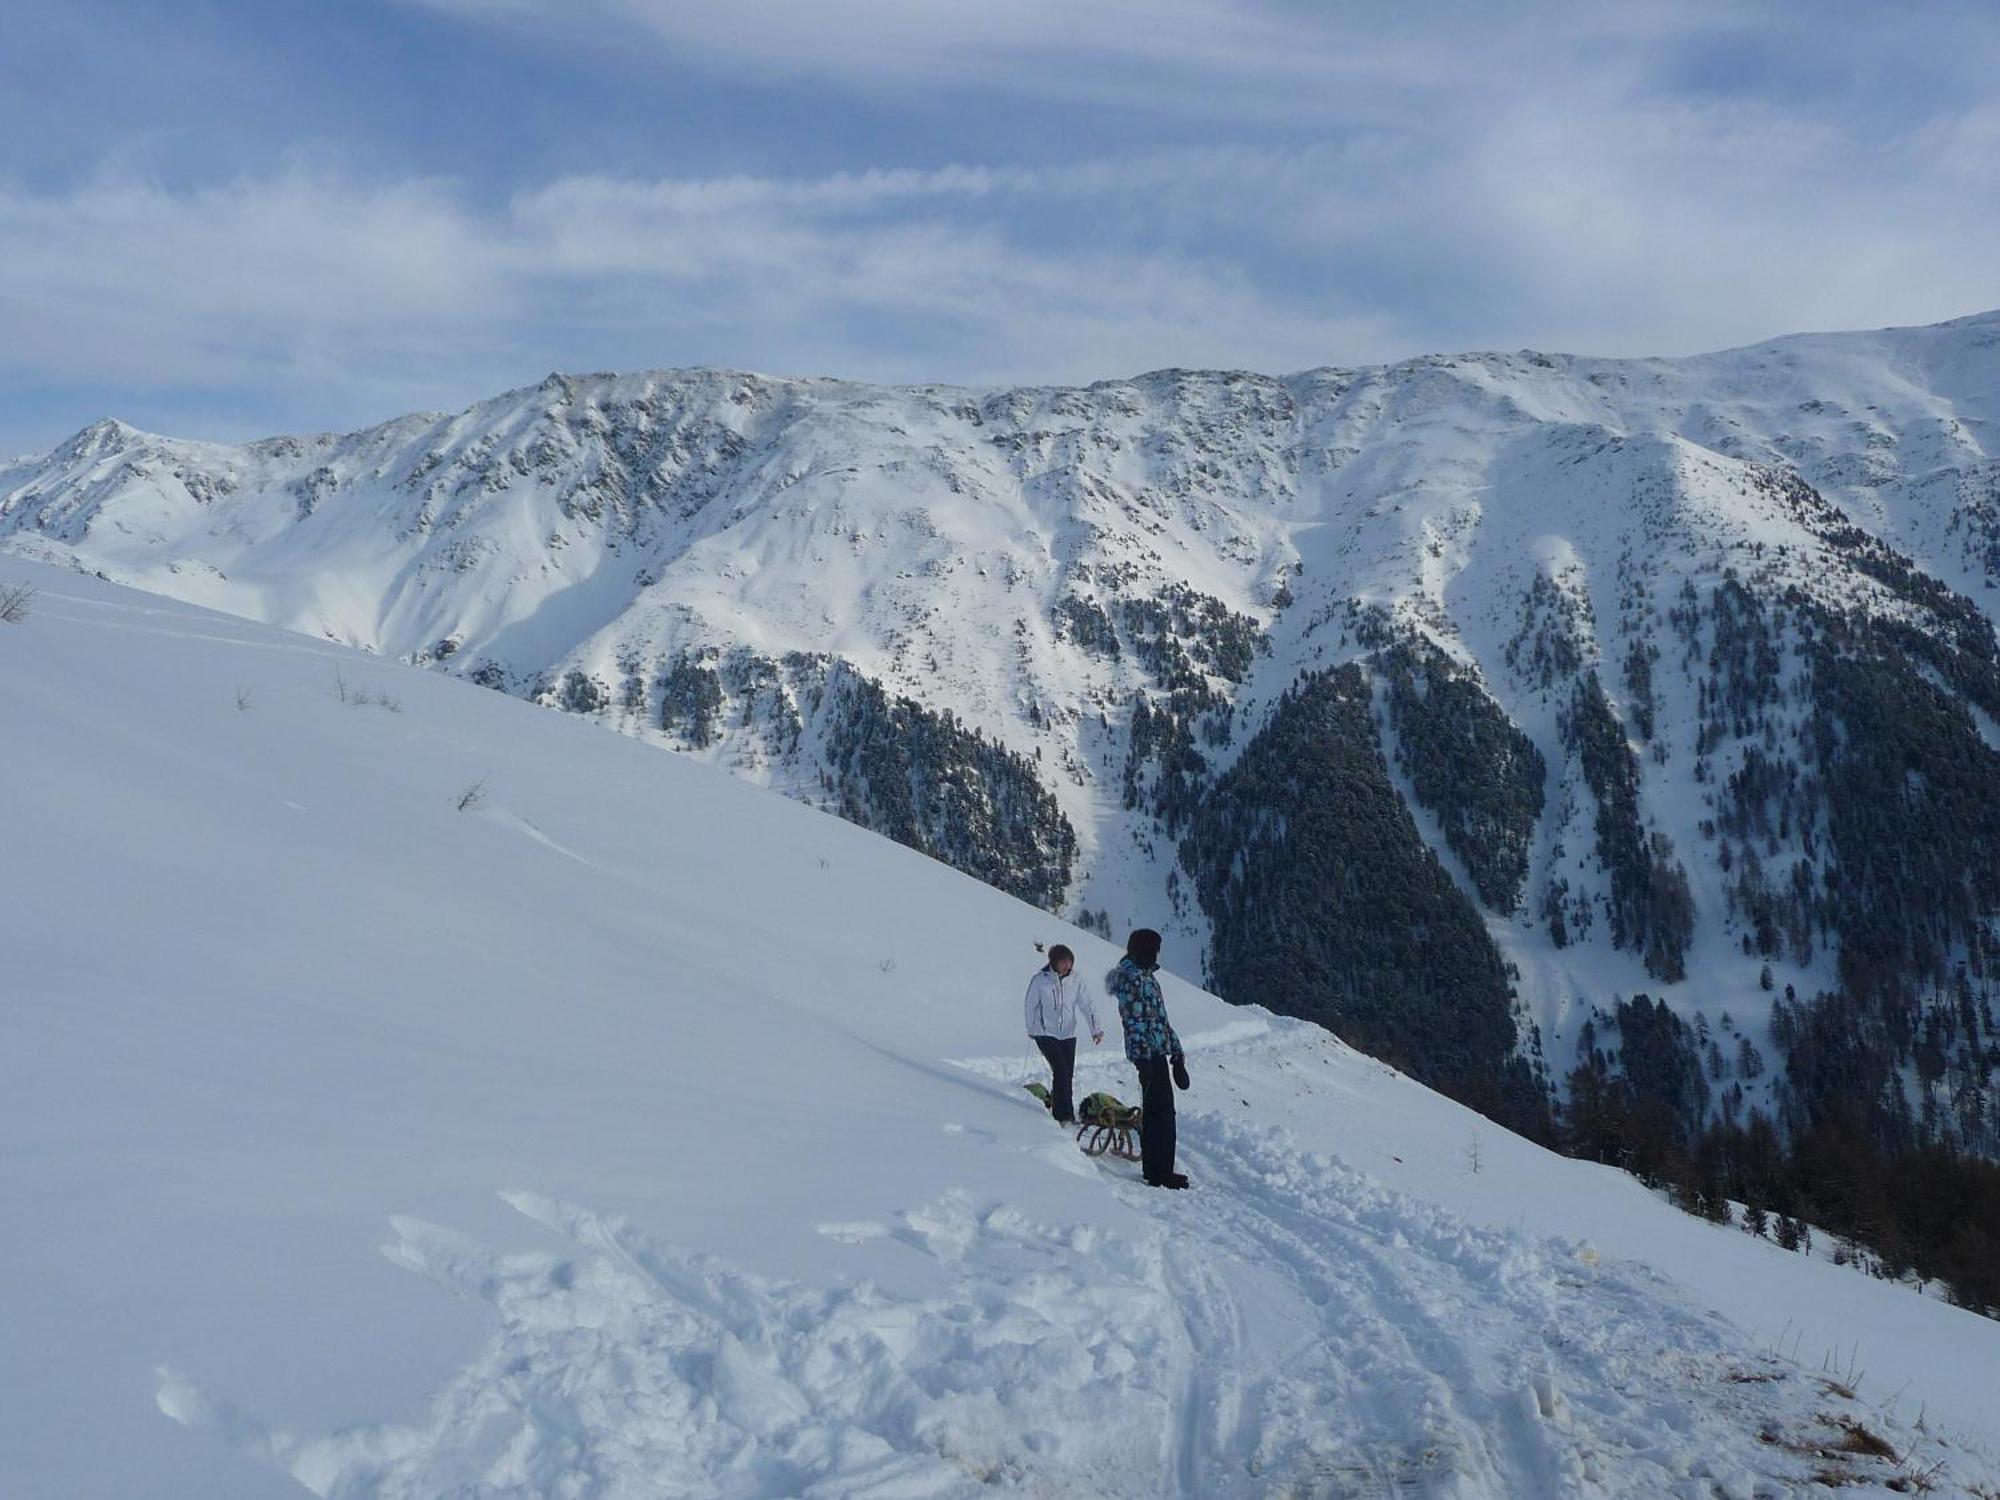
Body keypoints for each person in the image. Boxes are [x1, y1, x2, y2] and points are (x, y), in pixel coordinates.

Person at [1106, 928, 1188, 1189]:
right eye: (1154, 949)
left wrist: (1177, 1053)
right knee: (1159, 1113)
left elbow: (1161, 1020)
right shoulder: (1131, 978)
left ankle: (1158, 1168)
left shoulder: (1147, 976)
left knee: (1161, 1111)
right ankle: (1159, 1172)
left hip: (1157, 1052)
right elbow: (1134, 1021)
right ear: (1142, 949)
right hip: (1148, 1054)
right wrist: (1142, 1060)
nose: (1157, 954)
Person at [1025, 944, 1103, 1125]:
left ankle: (1066, 1112)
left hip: (1068, 1033)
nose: (1068, 965)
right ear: (1054, 962)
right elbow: (1030, 1005)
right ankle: (1063, 1115)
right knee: (1061, 1070)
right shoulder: (1040, 980)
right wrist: (1031, 1029)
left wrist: (1095, 1029)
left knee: (1067, 1074)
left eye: (1070, 961)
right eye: (1063, 961)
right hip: (1044, 1032)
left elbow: (1087, 1005)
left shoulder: (1076, 980)